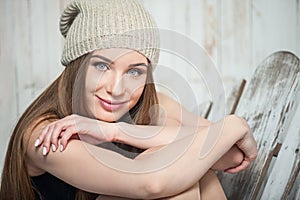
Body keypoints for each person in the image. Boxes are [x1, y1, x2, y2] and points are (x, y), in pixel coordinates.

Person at [0, 0, 258, 199]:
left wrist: (118, 131)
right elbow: (150, 183)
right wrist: (234, 125)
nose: (116, 89)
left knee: (188, 171)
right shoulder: (45, 133)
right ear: (77, 68)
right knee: (177, 176)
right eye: (102, 66)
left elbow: (232, 155)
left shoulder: (148, 105)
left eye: (134, 71)